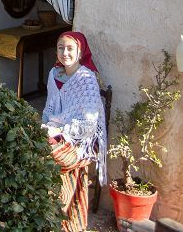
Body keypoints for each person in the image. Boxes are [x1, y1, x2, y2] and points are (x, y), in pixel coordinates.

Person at [42, 32, 107, 232]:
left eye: (70, 48)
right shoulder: (54, 74)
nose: (65, 52)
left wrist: (60, 132)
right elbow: (49, 109)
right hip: (57, 134)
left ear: (80, 52)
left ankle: (58, 216)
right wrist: (47, 127)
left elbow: (88, 123)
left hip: (82, 142)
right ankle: (63, 220)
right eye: (61, 47)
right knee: (36, 147)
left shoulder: (86, 79)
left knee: (50, 158)